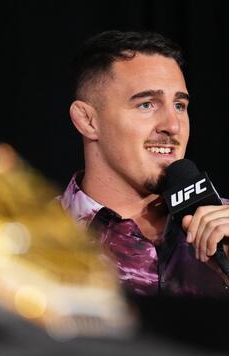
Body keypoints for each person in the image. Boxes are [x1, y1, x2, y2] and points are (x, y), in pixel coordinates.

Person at [59, 30, 229, 298]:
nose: (173, 126)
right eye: (147, 104)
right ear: (88, 120)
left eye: (180, 106)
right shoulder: (34, 238)